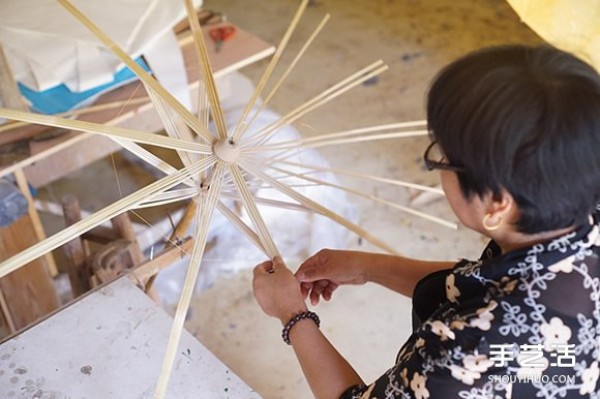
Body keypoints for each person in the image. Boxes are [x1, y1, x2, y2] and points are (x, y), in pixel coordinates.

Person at [252, 44, 600, 398]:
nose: (439, 164)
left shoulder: (471, 354)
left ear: (497, 202)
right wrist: (367, 266)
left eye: (444, 157)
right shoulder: (574, 220)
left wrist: (292, 314)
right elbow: (487, 282)